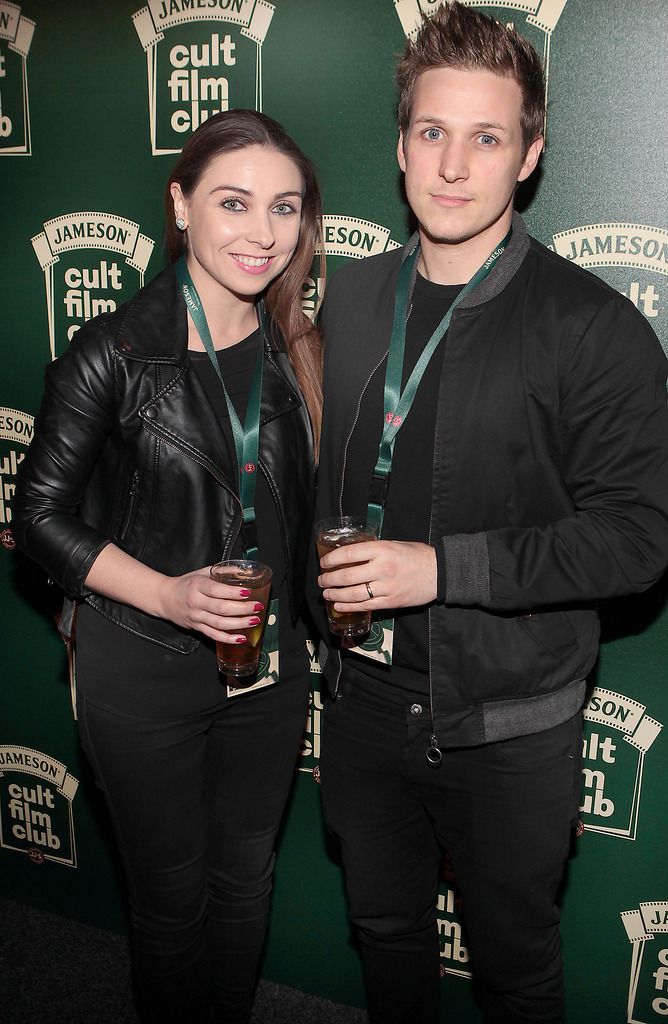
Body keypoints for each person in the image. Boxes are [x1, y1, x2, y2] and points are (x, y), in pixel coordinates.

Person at [312, 4, 668, 1023]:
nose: (452, 165)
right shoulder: (347, 298)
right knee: (383, 933)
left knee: (513, 964)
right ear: (399, 144)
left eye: (486, 136)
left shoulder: (591, 327)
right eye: (431, 132)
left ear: (530, 155)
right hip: (364, 699)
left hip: (507, 724)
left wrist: (441, 569)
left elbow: (640, 536)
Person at [14, 109, 323, 1024]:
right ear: (181, 205)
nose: (261, 233)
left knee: (244, 880)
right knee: (173, 898)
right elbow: (36, 519)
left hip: (267, 667)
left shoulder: (301, 346)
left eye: (285, 208)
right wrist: (168, 593)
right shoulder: (112, 350)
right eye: (234, 203)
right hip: (140, 663)